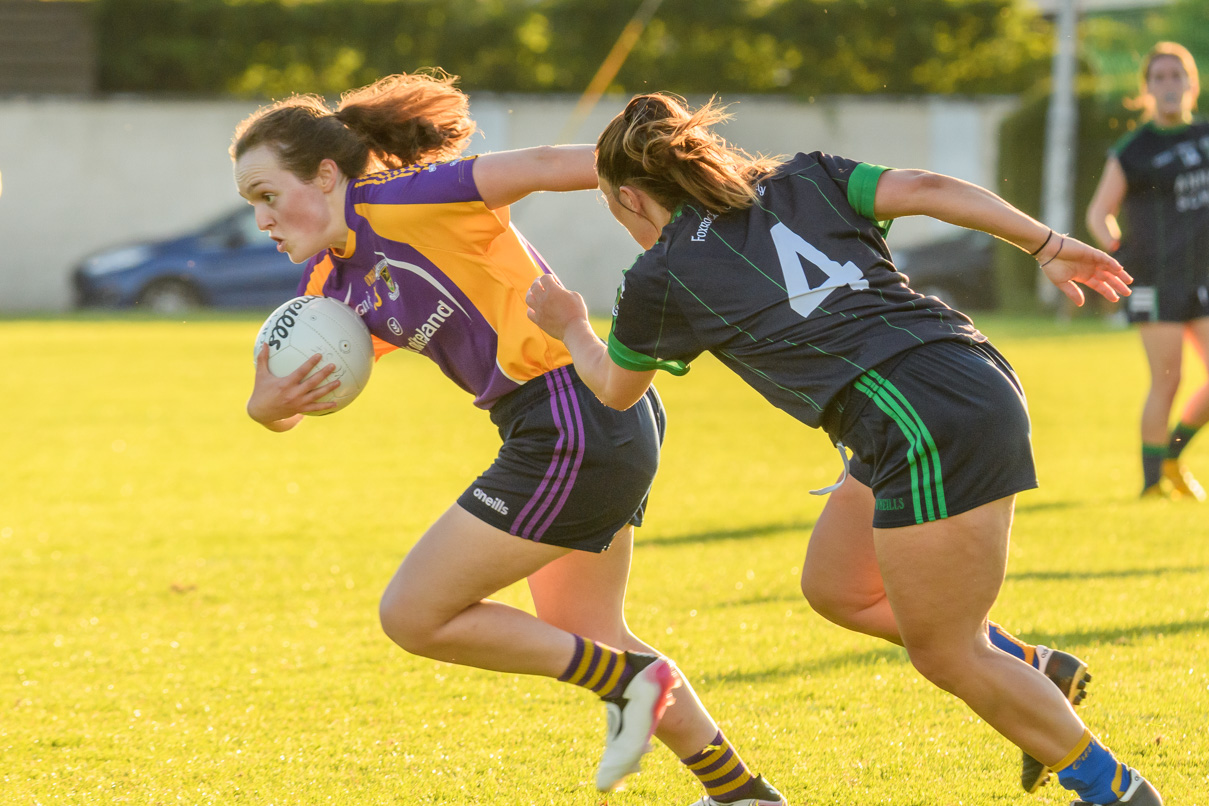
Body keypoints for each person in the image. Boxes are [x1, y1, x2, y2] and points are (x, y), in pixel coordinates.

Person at [526, 92, 1163, 806]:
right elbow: (925, 189)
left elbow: (614, 388)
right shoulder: (803, 176)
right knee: (837, 588)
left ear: (630, 198)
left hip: (916, 418)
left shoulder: (661, 275)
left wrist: (570, 325)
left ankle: (1114, 790)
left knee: (948, 651)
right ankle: (1033, 669)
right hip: (960, 370)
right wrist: (1043, 243)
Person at [229, 72, 786, 806]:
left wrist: (676, 165)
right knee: (581, 626)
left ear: (327, 173)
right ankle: (739, 794)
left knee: (415, 615)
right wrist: (265, 406)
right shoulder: (331, 288)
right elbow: (290, 406)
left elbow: (544, 167)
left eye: (267, 194)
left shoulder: (403, 200)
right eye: (251, 205)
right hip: (574, 420)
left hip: (572, 415)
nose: (261, 218)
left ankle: (629, 687)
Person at [1086, 41, 1209, 501]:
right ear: (1147, 90)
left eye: (1177, 75)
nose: (1169, 85)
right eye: (1158, 77)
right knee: (1169, 379)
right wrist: (1118, 252)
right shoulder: (1133, 151)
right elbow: (1098, 214)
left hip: (1203, 278)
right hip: (1155, 282)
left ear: (1192, 84)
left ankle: (1174, 455)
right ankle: (1152, 484)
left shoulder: (1205, 136)